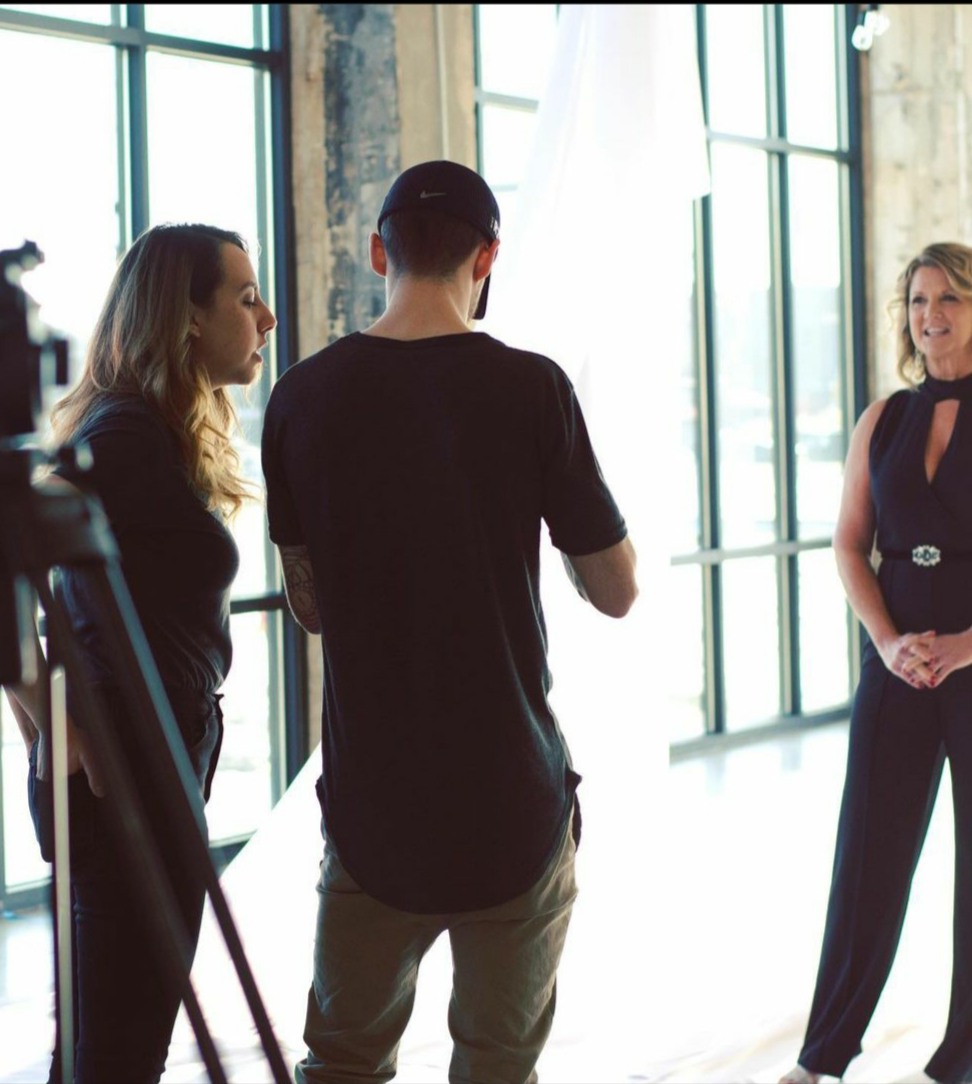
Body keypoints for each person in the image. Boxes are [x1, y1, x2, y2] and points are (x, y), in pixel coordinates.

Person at [261, 159, 638, 1083]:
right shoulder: (532, 389)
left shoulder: (301, 397)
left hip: (372, 806)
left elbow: (309, 607)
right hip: (511, 798)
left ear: (379, 249)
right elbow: (616, 590)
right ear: (488, 257)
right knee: (497, 1066)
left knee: (342, 1062)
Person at [781, 241, 972, 1084]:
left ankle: (960, 1062)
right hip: (897, 652)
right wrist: (881, 640)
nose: (928, 315)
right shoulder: (885, 419)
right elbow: (846, 541)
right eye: (915, 301)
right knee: (866, 851)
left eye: (946, 299)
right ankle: (824, 1054)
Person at [4, 223, 277, 1082]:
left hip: (151, 764)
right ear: (187, 317)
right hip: (123, 779)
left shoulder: (146, 432)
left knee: (107, 1045)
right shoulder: (125, 436)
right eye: (243, 296)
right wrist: (54, 721)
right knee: (118, 1051)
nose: (266, 317)